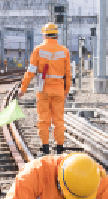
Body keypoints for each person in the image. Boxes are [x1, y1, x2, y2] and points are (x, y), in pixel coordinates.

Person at [18, 23, 71, 155]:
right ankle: (59, 147)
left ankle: (45, 147)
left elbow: (31, 71)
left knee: (43, 119)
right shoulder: (64, 51)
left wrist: (23, 88)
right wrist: (66, 91)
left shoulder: (38, 49)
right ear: (57, 35)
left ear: (44, 34)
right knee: (58, 120)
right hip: (58, 89)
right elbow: (68, 74)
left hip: (43, 90)